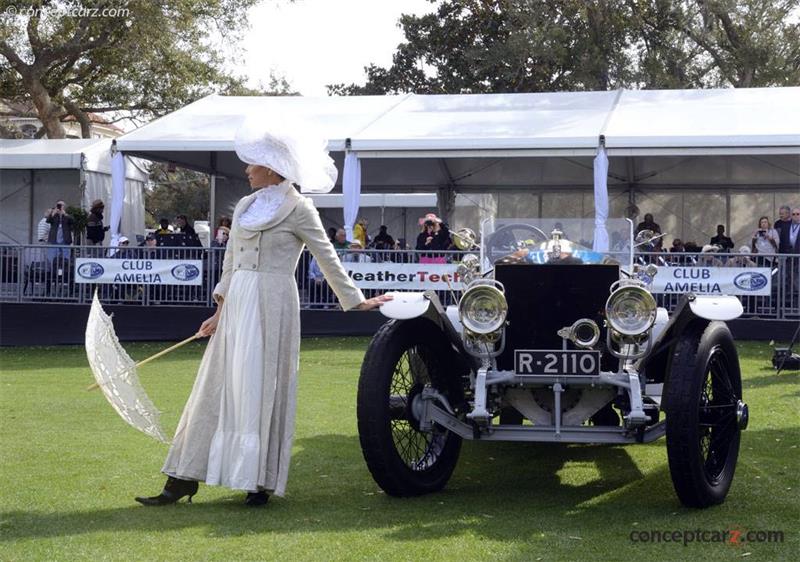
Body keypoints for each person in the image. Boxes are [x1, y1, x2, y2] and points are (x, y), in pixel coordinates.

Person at [135, 116, 391, 508]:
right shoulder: (245, 205)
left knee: (263, 387)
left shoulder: (299, 208)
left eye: (253, 163)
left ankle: (260, 481)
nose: (247, 170)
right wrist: (218, 310)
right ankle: (181, 479)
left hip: (274, 302)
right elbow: (230, 260)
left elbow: (327, 257)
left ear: (271, 168)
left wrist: (356, 299)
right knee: (215, 387)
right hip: (238, 302)